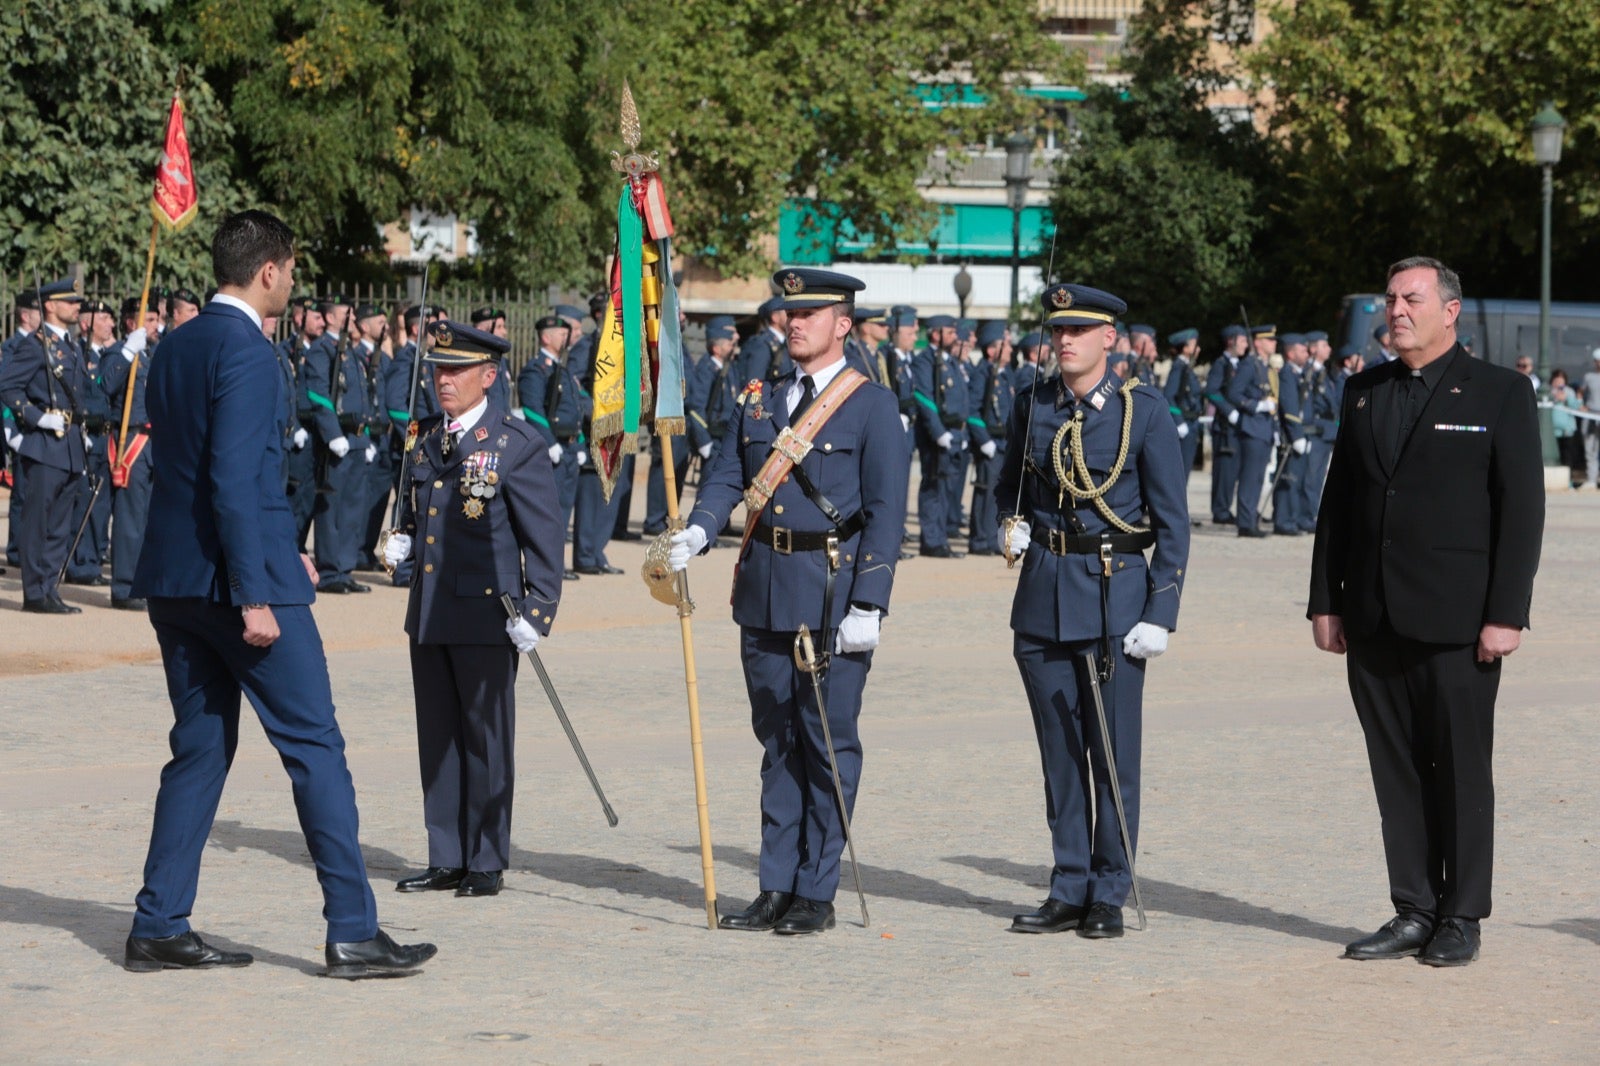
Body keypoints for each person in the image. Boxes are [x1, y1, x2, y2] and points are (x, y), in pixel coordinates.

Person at [125, 209, 435, 977]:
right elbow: (231, 478)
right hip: (238, 588)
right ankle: (353, 929)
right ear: (269, 271)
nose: (293, 284)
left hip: (179, 583)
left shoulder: (176, 344)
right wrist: (255, 589)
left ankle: (158, 922)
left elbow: (213, 474)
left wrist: (288, 546)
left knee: (198, 752)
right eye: (291, 271)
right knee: (316, 748)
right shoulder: (249, 352)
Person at [1309, 256, 1543, 968]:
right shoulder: (1363, 390)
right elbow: (1339, 505)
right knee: (1396, 770)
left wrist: (1507, 614)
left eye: (1411, 298)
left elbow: (1521, 511)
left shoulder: (1501, 393)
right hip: (1374, 615)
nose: (1397, 309)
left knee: (1461, 771)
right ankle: (1413, 907)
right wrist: (1326, 601)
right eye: (1390, 299)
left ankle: (1462, 913)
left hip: (1460, 623)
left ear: (1451, 311)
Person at [669, 266, 909, 936]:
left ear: (842, 324)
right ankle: (776, 883)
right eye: (789, 313)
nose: (794, 323)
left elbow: (887, 512)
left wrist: (872, 602)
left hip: (832, 592)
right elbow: (727, 473)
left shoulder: (870, 405)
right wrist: (700, 527)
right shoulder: (760, 397)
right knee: (777, 741)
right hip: (765, 587)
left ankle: (816, 888)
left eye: (810, 314)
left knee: (825, 742)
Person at [996, 283, 1189, 938]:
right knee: (1059, 756)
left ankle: (1109, 888)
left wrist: (1160, 612)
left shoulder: (1143, 413)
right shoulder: (1032, 405)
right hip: (1044, 597)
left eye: (1078, 331)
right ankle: (1069, 881)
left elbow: (1173, 523)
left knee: (1111, 755)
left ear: (1110, 338)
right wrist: (1010, 524)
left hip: (1114, 599)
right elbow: (1008, 490)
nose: (1064, 341)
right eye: (1057, 331)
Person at [380, 319, 564, 898]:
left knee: (486, 738)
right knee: (438, 736)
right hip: (431, 610)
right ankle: (446, 854)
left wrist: (538, 611)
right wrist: (401, 541)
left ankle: (484, 858)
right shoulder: (423, 437)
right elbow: (419, 512)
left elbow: (544, 538)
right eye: (439, 369)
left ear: (489, 375)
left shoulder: (515, 443)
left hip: (489, 613)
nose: (444, 380)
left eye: (457, 370)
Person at [0, 276, 88, 613]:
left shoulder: (70, 345)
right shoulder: (35, 345)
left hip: (69, 447)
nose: (76, 306)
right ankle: (34, 592)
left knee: (60, 525)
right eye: (70, 302)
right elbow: (7, 387)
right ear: (49, 305)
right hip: (44, 443)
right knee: (38, 522)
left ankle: (49, 587)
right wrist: (37, 418)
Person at [515, 314, 585, 579]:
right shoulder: (536, 369)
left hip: (567, 448)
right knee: (548, 512)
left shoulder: (562, 368)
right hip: (552, 450)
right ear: (545, 336)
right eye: (559, 332)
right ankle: (544, 565)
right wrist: (549, 442)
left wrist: (578, 442)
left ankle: (555, 563)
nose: (565, 337)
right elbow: (532, 410)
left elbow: (574, 410)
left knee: (564, 509)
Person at [910, 314, 967, 558]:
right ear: (936, 334)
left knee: (947, 489)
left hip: (953, 433)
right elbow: (924, 397)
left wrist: (961, 431)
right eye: (950, 332)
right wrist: (938, 432)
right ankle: (932, 541)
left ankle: (940, 537)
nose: (955, 337)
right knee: (934, 487)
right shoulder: (925, 361)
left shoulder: (949, 361)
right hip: (937, 435)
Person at [966, 321, 1011, 556]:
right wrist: (984, 440)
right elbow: (972, 410)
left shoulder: (1004, 375)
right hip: (990, 443)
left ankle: (992, 537)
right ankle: (980, 539)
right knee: (986, 492)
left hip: (1004, 443)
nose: (1011, 349)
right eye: (1005, 345)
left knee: (999, 493)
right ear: (992, 350)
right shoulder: (982, 373)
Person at [1227, 325, 1277, 537]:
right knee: (1249, 477)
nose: (1274, 343)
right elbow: (1234, 393)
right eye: (1270, 340)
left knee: (1257, 477)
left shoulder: (1263, 366)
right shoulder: (1249, 365)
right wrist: (1255, 405)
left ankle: (1250, 520)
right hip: (1252, 428)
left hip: (1264, 428)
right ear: (1258, 343)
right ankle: (1245, 524)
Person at [1204, 325, 1247, 525]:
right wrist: (1228, 411)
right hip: (1224, 426)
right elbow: (1211, 391)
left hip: (1235, 428)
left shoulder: (1238, 365)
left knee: (1232, 471)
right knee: (1224, 471)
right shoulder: (1221, 364)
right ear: (1231, 341)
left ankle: (1225, 507)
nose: (1246, 345)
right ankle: (1220, 510)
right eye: (1242, 340)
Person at [1162, 327, 1203, 484]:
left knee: (1184, 473)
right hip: (1184, 425)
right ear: (1185, 348)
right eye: (1194, 345)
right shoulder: (1179, 367)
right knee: (1180, 474)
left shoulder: (1186, 367)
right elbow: (1168, 397)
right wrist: (1179, 422)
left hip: (1191, 423)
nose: (1197, 348)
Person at [1548, 369, 1582, 489]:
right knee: (1553, 457)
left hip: (1567, 430)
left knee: (1567, 457)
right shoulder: (1548, 391)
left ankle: (1568, 481)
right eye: (1556, 380)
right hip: (1551, 431)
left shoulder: (1569, 392)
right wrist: (1554, 397)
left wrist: (1567, 399)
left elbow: (1576, 407)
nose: (1558, 383)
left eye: (1561, 380)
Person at [1580, 349, 1600, 488]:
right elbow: (1580, 393)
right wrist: (1581, 405)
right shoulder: (1588, 377)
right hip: (1590, 415)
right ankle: (1591, 479)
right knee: (1590, 449)